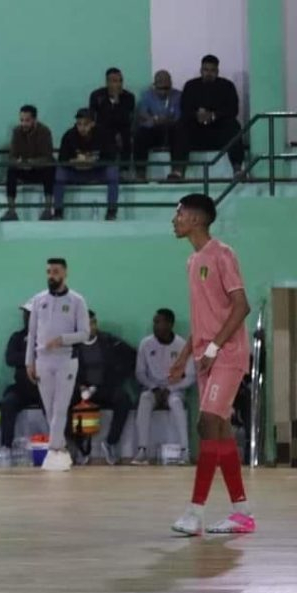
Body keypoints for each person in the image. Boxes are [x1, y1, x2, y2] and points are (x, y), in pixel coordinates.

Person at [168, 194, 254, 535]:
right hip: (207, 357)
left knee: (206, 423)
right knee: (219, 431)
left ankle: (195, 512)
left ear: (196, 219)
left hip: (228, 355)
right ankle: (242, 513)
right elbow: (203, 318)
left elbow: (241, 306)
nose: (174, 220)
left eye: (179, 214)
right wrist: (184, 355)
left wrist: (215, 348)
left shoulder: (222, 254)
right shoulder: (192, 262)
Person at [26, 258, 90, 471]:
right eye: (48, 272)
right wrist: (29, 362)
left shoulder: (77, 301)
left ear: (65, 273)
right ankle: (61, 449)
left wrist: (62, 339)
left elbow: (84, 333)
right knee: (50, 408)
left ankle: (53, 451)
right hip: (43, 360)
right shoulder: (38, 300)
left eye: (55, 271)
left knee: (60, 407)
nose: (51, 276)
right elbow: (32, 333)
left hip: (66, 360)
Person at [72, 310, 136, 465]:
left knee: (124, 400)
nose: (91, 327)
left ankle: (111, 442)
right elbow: (66, 370)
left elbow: (132, 356)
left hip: (104, 388)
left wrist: (118, 378)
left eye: (93, 323)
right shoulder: (73, 346)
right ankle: (81, 447)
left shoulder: (109, 341)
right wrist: (80, 386)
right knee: (67, 403)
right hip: (82, 389)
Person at [133, 308, 195, 465]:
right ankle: (142, 450)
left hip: (174, 389)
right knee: (145, 399)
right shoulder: (146, 344)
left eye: (158, 322)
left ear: (170, 324)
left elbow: (190, 376)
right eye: (154, 322)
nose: (155, 325)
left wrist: (170, 389)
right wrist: (153, 387)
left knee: (175, 402)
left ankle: (185, 451)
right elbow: (140, 373)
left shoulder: (182, 345)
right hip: (152, 388)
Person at [176, 55, 243, 180]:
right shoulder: (191, 86)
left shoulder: (227, 86)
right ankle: (178, 170)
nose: (208, 73)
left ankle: (237, 169)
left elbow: (233, 109)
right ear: (201, 70)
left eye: (212, 70)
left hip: (219, 129)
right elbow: (185, 108)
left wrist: (213, 115)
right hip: (196, 130)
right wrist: (197, 115)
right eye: (206, 70)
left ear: (217, 71)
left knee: (233, 126)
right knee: (181, 125)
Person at [0, 302, 42, 455]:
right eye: (25, 314)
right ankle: (6, 446)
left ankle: (60, 446)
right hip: (22, 387)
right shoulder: (17, 337)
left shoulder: (47, 337)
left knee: (58, 405)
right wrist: (31, 358)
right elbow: (10, 358)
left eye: (29, 314)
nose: (26, 318)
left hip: (43, 387)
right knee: (8, 403)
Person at [53, 109, 119, 221]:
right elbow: (62, 159)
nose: (82, 128)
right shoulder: (69, 136)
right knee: (59, 174)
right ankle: (58, 212)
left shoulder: (103, 134)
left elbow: (111, 157)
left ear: (93, 124)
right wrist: (75, 162)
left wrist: (92, 161)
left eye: (85, 124)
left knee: (113, 172)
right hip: (76, 171)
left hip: (96, 171)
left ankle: (111, 211)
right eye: (79, 124)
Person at [2, 105, 55, 221]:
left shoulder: (44, 131)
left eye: (27, 120)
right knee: (11, 171)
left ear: (34, 120)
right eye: (21, 120)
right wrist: (19, 163)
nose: (24, 124)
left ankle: (48, 210)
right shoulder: (16, 132)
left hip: (39, 169)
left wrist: (30, 162)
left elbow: (47, 157)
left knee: (50, 170)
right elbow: (12, 156)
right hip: (23, 168)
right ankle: (11, 211)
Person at [134, 70, 183, 182]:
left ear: (170, 85)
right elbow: (142, 117)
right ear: (154, 86)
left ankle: (177, 171)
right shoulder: (147, 96)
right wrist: (155, 120)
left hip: (171, 130)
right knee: (141, 133)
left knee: (180, 131)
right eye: (159, 88)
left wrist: (157, 119)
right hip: (153, 131)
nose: (163, 92)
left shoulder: (178, 96)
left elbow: (178, 117)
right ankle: (140, 173)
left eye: (166, 88)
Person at [88, 67, 135, 164]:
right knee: (101, 135)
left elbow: (125, 119)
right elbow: (93, 116)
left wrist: (117, 102)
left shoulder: (129, 97)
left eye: (120, 81)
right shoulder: (97, 95)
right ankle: (104, 167)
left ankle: (124, 170)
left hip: (122, 129)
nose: (118, 84)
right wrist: (112, 103)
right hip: (103, 128)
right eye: (114, 81)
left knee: (125, 136)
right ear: (107, 82)